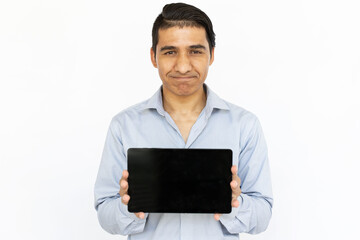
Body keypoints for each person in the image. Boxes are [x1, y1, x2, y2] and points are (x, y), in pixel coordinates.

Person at [94, 3, 273, 239]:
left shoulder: (244, 125)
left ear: (212, 54)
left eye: (195, 51)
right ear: (153, 56)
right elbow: (105, 212)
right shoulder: (124, 126)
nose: (183, 66)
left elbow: (262, 216)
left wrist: (234, 202)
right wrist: (130, 207)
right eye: (170, 52)